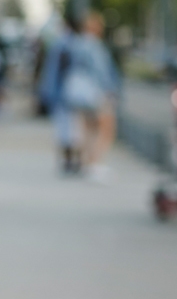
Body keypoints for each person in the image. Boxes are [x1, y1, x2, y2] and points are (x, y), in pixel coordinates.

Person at [39, 12, 120, 177]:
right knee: (106, 129)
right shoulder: (94, 46)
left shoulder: (74, 44)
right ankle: (95, 162)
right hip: (95, 93)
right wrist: (111, 91)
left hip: (77, 94)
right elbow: (101, 72)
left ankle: (86, 163)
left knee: (86, 129)